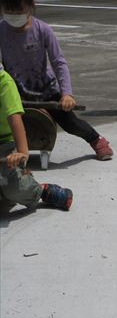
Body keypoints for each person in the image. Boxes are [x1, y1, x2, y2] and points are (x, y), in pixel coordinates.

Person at [0, 0, 114, 161]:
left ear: (31, 5)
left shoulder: (43, 30)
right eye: (8, 11)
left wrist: (66, 94)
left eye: (18, 10)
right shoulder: (1, 31)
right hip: (15, 93)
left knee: (70, 122)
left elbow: (58, 62)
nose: (14, 15)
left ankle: (95, 139)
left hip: (46, 91)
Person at [0, 62, 72, 212]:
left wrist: (22, 153)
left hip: (5, 143)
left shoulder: (3, 82)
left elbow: (15, 119)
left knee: (14, 188)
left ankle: (40, 190)